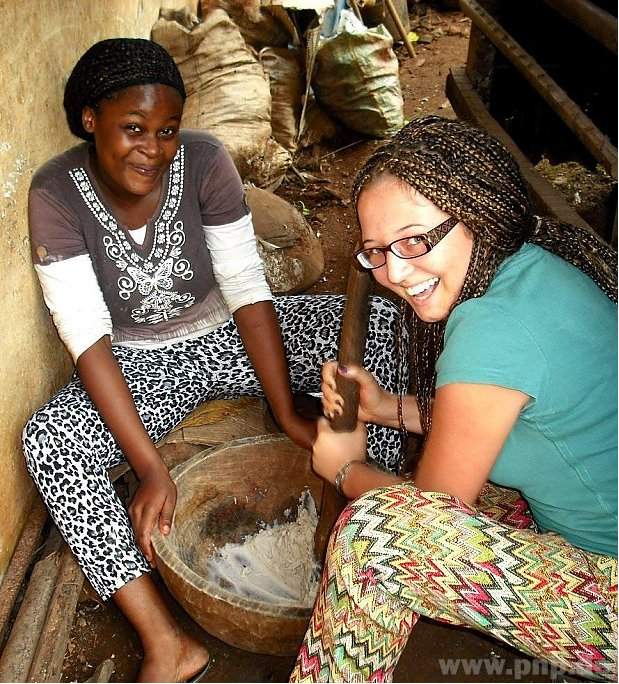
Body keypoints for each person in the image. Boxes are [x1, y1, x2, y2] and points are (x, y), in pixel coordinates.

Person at [22, 38, 408, 683]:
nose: (154, 148)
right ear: (90, 120)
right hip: (141, 366)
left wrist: (285, 410)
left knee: (386, 324)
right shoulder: (55, 193)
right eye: (134, 129)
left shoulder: (203, 161)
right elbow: (86, 338)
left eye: (167, 130)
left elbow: (247, 288)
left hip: (229, 334)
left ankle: (366, 517)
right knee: (50, 443)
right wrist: (149, 468)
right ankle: (167, 643)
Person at [289, 115, 618, 683]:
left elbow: (430, 520)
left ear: (475, 212)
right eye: (375, 250)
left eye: (416, 239)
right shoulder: (530, 271)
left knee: (376, 541)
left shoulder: (494, 327)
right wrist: (382, 406)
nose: (394, 270)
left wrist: (346, 471)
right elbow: (502, 419)